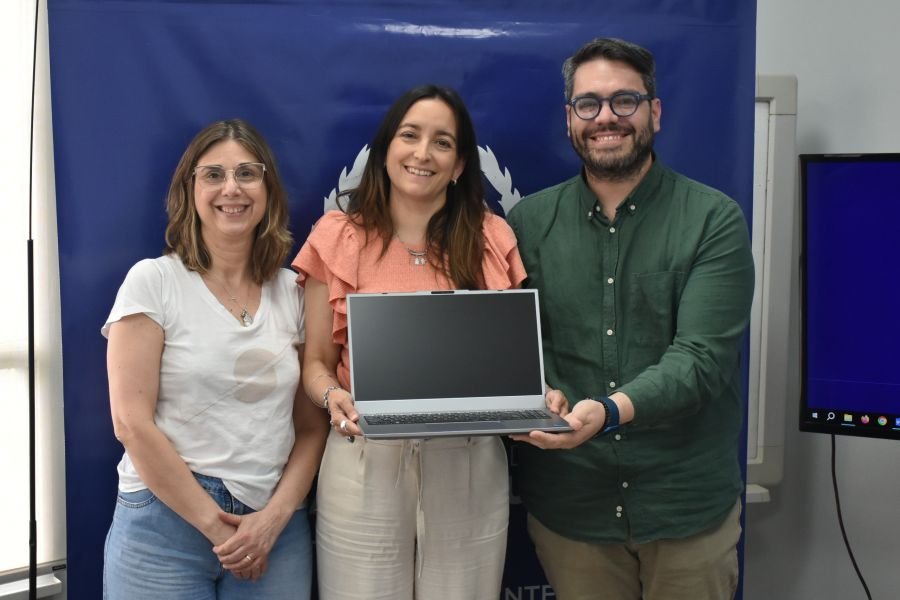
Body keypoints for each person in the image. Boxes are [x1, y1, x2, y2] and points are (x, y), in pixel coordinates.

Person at [507, 38, 755, 600]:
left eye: (625, 100)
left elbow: (702, 360)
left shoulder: (713, 219)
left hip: (684, 509)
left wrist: (608, 411)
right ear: (570, 119)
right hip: (573, 511)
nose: (606, 118)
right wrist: (536, 392)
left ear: (655, 112)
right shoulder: (527, 224)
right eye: (588, 104)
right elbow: (513, 349)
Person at [294, 84, 530, 600]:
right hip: (363, 460)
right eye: (410, 135)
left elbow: (511, 357)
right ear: (385, 150)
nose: (423, 153)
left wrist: (540, 396)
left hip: (470, 463)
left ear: (460, 164)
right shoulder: (337, 237)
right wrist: (332, 396)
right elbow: (315, 362)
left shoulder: (492, 238)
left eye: (442, 142)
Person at [102, 119, 328, 599]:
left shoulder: (293, 291)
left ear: (267, 190)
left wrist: (274, 519)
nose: (232, 188)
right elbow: (130, 423)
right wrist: (217, 528)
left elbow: (312, 429)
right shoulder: (153, 282)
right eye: (213, 175)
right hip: (164, 526)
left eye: (247, 173)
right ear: (190, 190)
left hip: (274, 530)